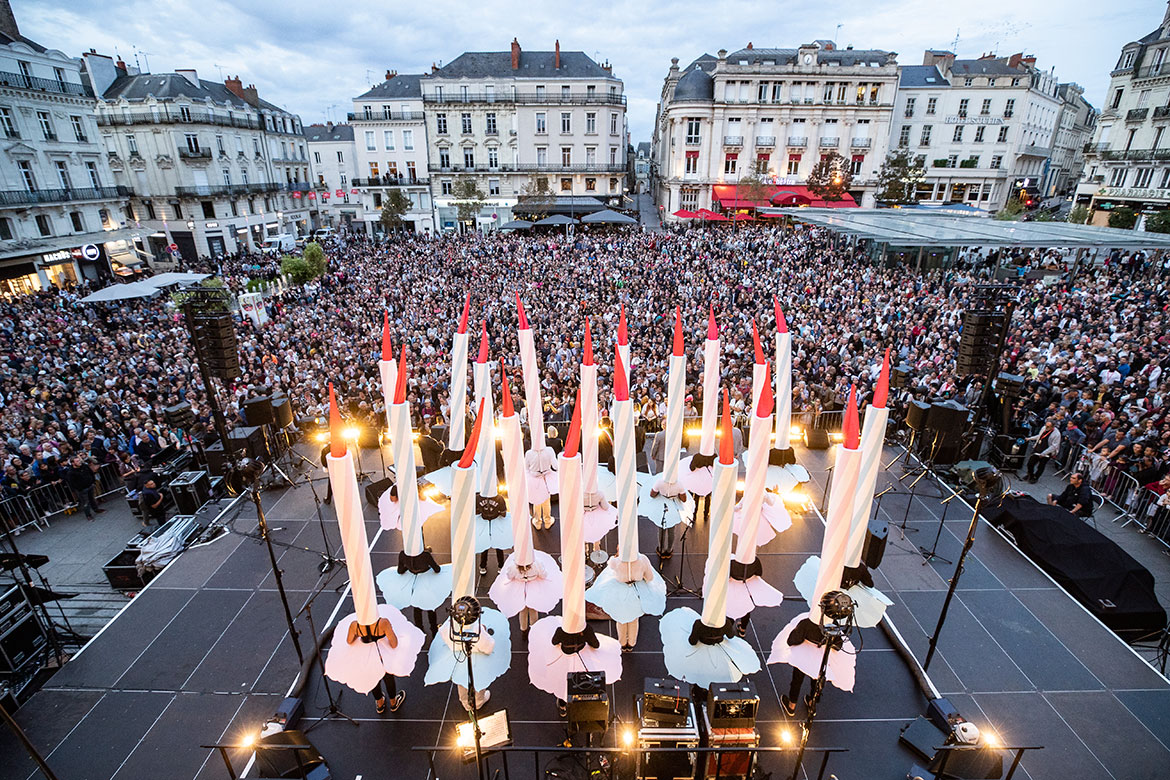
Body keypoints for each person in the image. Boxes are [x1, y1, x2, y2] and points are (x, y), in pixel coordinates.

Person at [64, 455, 103, 520]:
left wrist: (92, 481)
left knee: (92, 499)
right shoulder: (71, 472)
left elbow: (91, 473)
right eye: (77, 461)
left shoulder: (84, 466)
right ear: (73, 463)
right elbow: (72, 483)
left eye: (79, 460)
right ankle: (88, 515)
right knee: (85, 503)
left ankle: (96, 509)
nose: (79, 462)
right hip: (82, 489)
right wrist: (79, 488)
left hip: (90, 485)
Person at [1025, 418, 1061, 483]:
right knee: (1030, 463)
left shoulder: (1057, 434)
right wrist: (1030, 438)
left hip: (1047, 452)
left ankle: (1036, 477)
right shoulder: (1044, 428)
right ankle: (1030, 474)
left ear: (1053, 427)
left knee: (1041, 466)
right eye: (1046, 425)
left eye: (1048, 426)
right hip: (1037, 449)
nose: (1046, 427)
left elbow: (1054, 446)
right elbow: (1039, 436)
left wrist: (1044, 453)